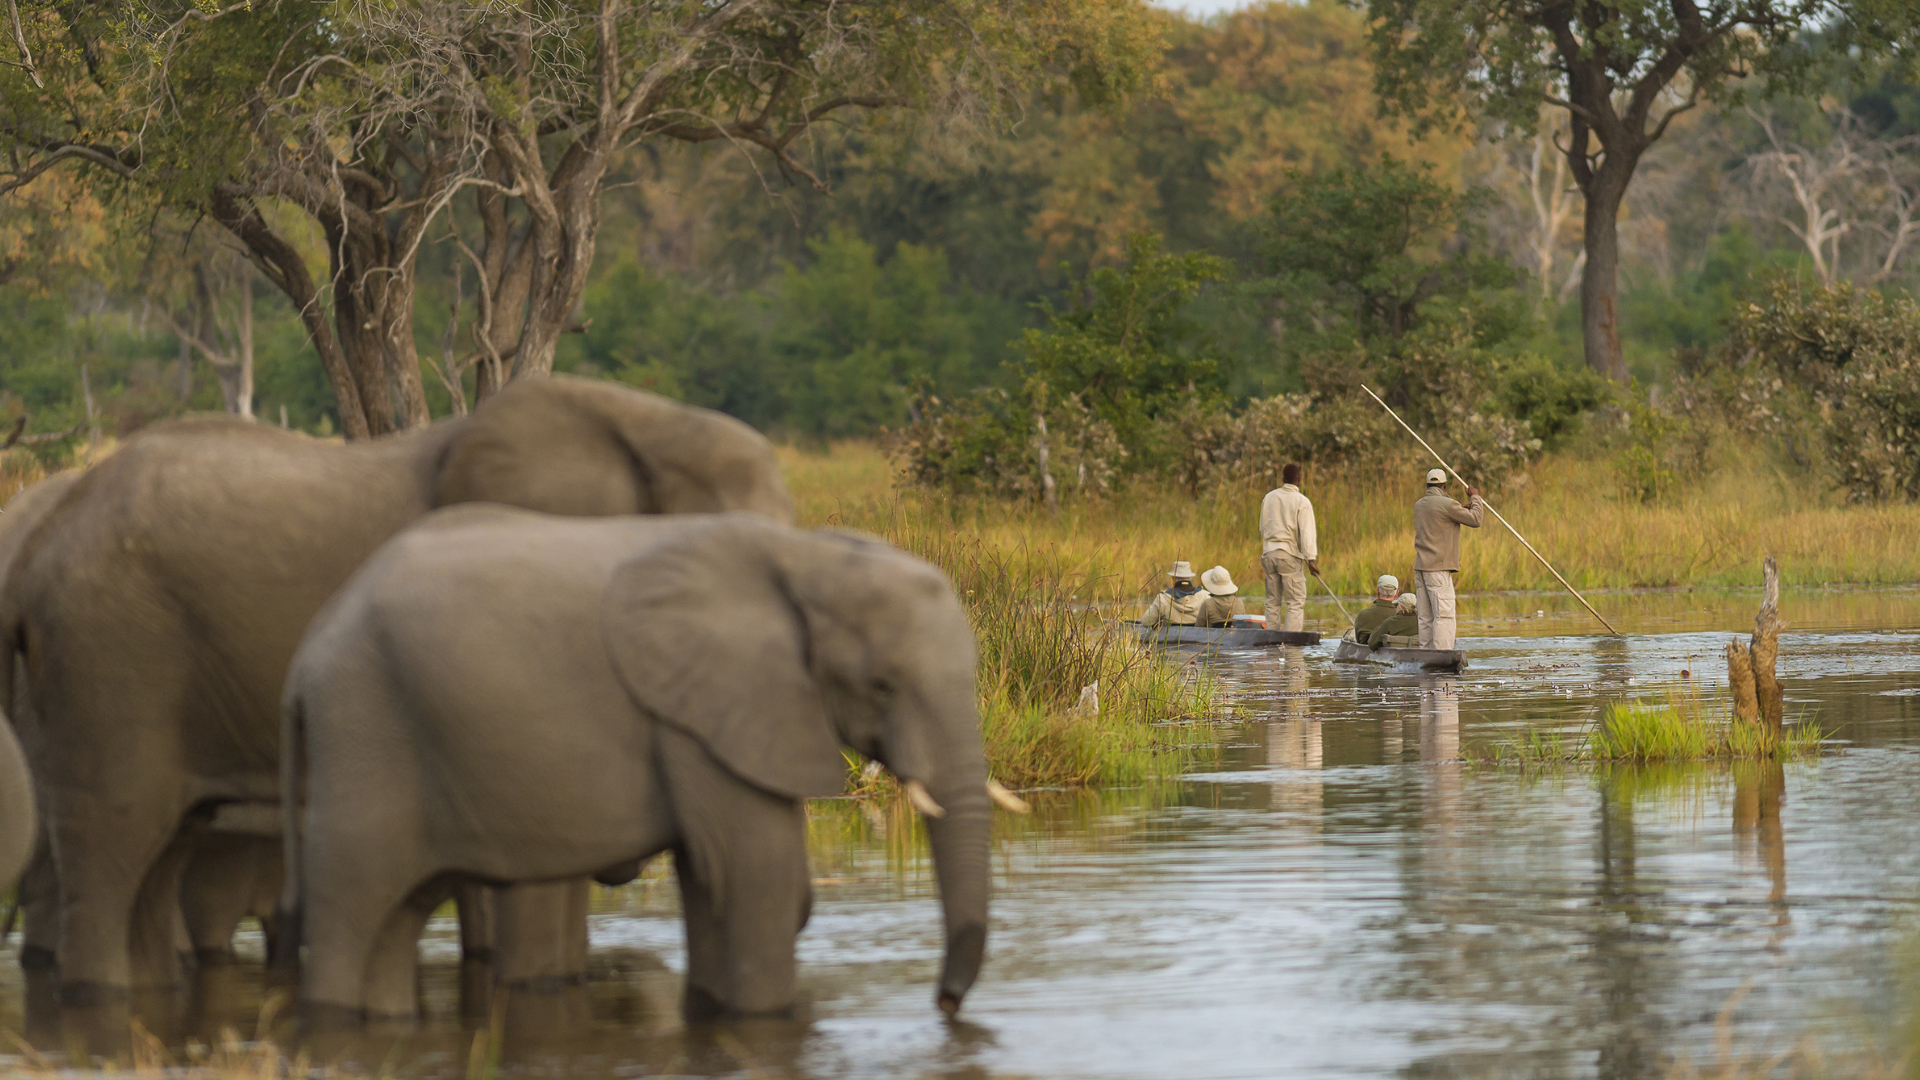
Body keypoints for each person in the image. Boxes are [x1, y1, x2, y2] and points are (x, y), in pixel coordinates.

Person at [1413, 467, 1483, 650]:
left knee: (1425, 617)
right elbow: (1476, 520)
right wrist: (1474, 497)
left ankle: (1426, 654)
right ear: (1444, 485)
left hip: (1421, 568)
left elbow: (1439, 516)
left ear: (1427, 485)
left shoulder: (1419, 504)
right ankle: (1442, 655)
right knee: (1444, 616)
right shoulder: (1448, 504)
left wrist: (1460, 509)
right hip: (1438, 569)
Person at [1259, 463, 1318, 633]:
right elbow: (1306, 533)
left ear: (1283, 479)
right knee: (1295, 601)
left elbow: (1262, 528)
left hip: (1269, 554)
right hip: (1289, 556)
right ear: (1298, 479)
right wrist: (1310, 559)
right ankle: (1291, 645)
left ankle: (1270, 642)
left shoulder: (1269, 497)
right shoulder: (1302, 501)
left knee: (1272, 602)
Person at [1140, 561, 1208, 627]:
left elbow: (1146, 622)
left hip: (1169, 637)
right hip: (1198, 637)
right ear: (1190, 578)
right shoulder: (1205, 596)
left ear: (1173, 578)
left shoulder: (1162, 598)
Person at [1350, 575, 1400, 640]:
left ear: (1377, 590)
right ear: (1397, 593)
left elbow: (1357, 639)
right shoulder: (1401, 616)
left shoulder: (1362, 614)